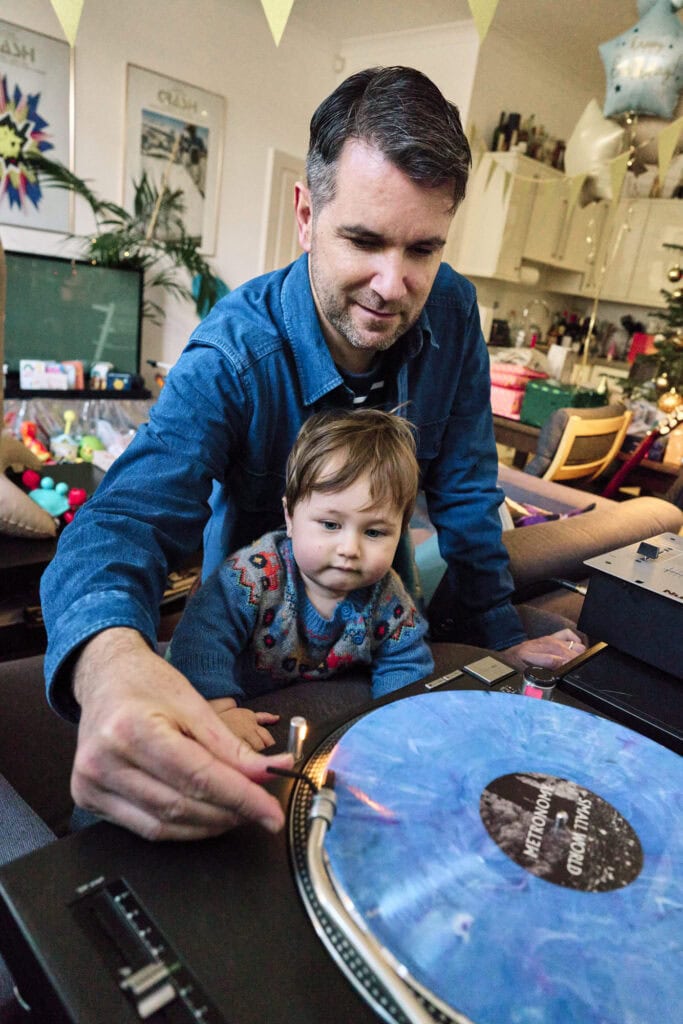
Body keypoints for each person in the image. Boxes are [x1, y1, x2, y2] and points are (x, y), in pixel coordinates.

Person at [41, 65, 584, 841]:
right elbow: (123, 517)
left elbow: (466, 488)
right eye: (362, 240)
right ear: (305, 212)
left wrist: (499, 638)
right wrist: (110, 664)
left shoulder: (455, 307)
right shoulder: (231, 353)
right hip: (254, 662)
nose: (392, 285)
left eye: (423, 249)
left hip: (381, 649)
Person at [168, 408, 433, 751]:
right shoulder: (252, 576)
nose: (349, 548)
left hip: (298, 705)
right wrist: (220, 710)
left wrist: (394, 721)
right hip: (215, 692)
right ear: (290, 517)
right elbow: (201, 638)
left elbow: (406, 660)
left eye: (374, 531)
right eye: (330, 524)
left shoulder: (386, 596)